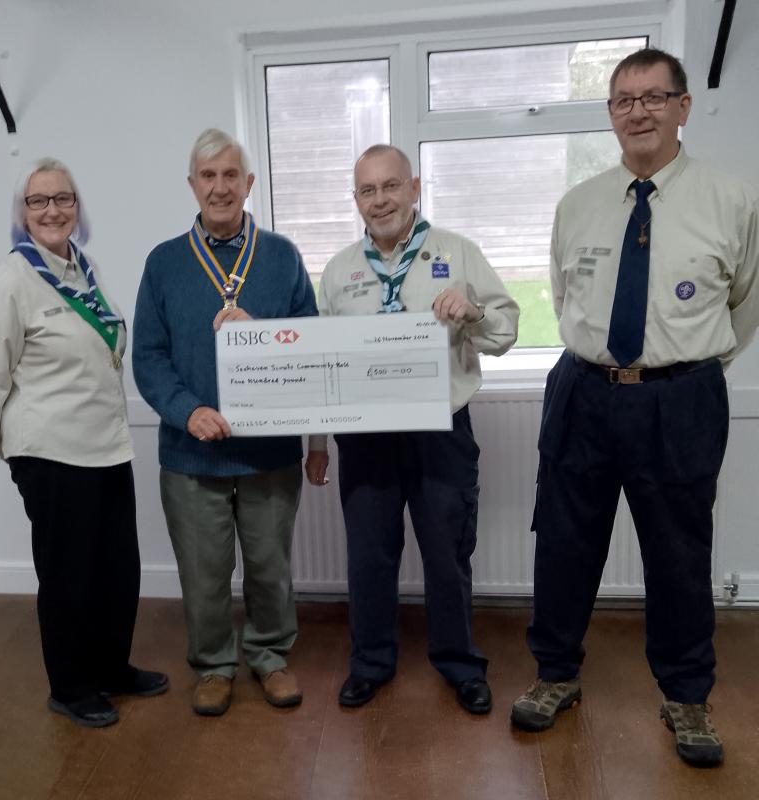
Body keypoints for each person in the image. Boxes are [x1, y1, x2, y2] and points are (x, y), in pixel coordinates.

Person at [510, 48, 759, 767]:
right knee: (563, 545)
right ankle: (555, 674)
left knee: (680, 554)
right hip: (583, 392)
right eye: (624, 100)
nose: (639, 111)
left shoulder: (731, 200)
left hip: (679, 400)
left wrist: (681, 363)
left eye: (654, 97)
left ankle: (687, 697)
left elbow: (746, 304)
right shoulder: (579, 203)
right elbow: (565, 299)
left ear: (683, 107)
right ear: (611, 114)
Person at [305, 144, 519, 714]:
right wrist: (317, 441)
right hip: (365, 437)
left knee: (447, 553)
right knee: (370, 556)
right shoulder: (340, 270)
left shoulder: (458, 253)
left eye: (390, 186)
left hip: (440, 431)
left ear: (415, 187)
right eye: (368, 191)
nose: (380, 200)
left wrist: (472, 313)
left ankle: (460, 664)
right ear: (356, 200)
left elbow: (506, 329)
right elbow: (321, 362)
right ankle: (370, 663)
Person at [0, 158, 168, 728]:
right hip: (51, 455)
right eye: (38, 201)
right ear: (22, 214)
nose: (53, 210)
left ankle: (111, 667)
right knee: (67, 574)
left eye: (64, 199)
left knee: (116, 568)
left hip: (106, 446)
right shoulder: (9, 280)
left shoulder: (84, 267)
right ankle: (72, 685)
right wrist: (12, 451)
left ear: (78, 208)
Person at [133, 129, 318, 716]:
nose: (220, 187)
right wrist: (189, 411)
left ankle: (268, 656)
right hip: (192, 455)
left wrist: (259, 330)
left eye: (230, 175)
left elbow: (311, 343)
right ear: (193, 185)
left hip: (269, 453)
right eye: (208, 176)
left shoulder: (282, 256)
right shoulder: (163, 263)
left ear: (248, 183)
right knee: (204, 573)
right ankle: (213, 665)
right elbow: (149, 357)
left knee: (269, 565)